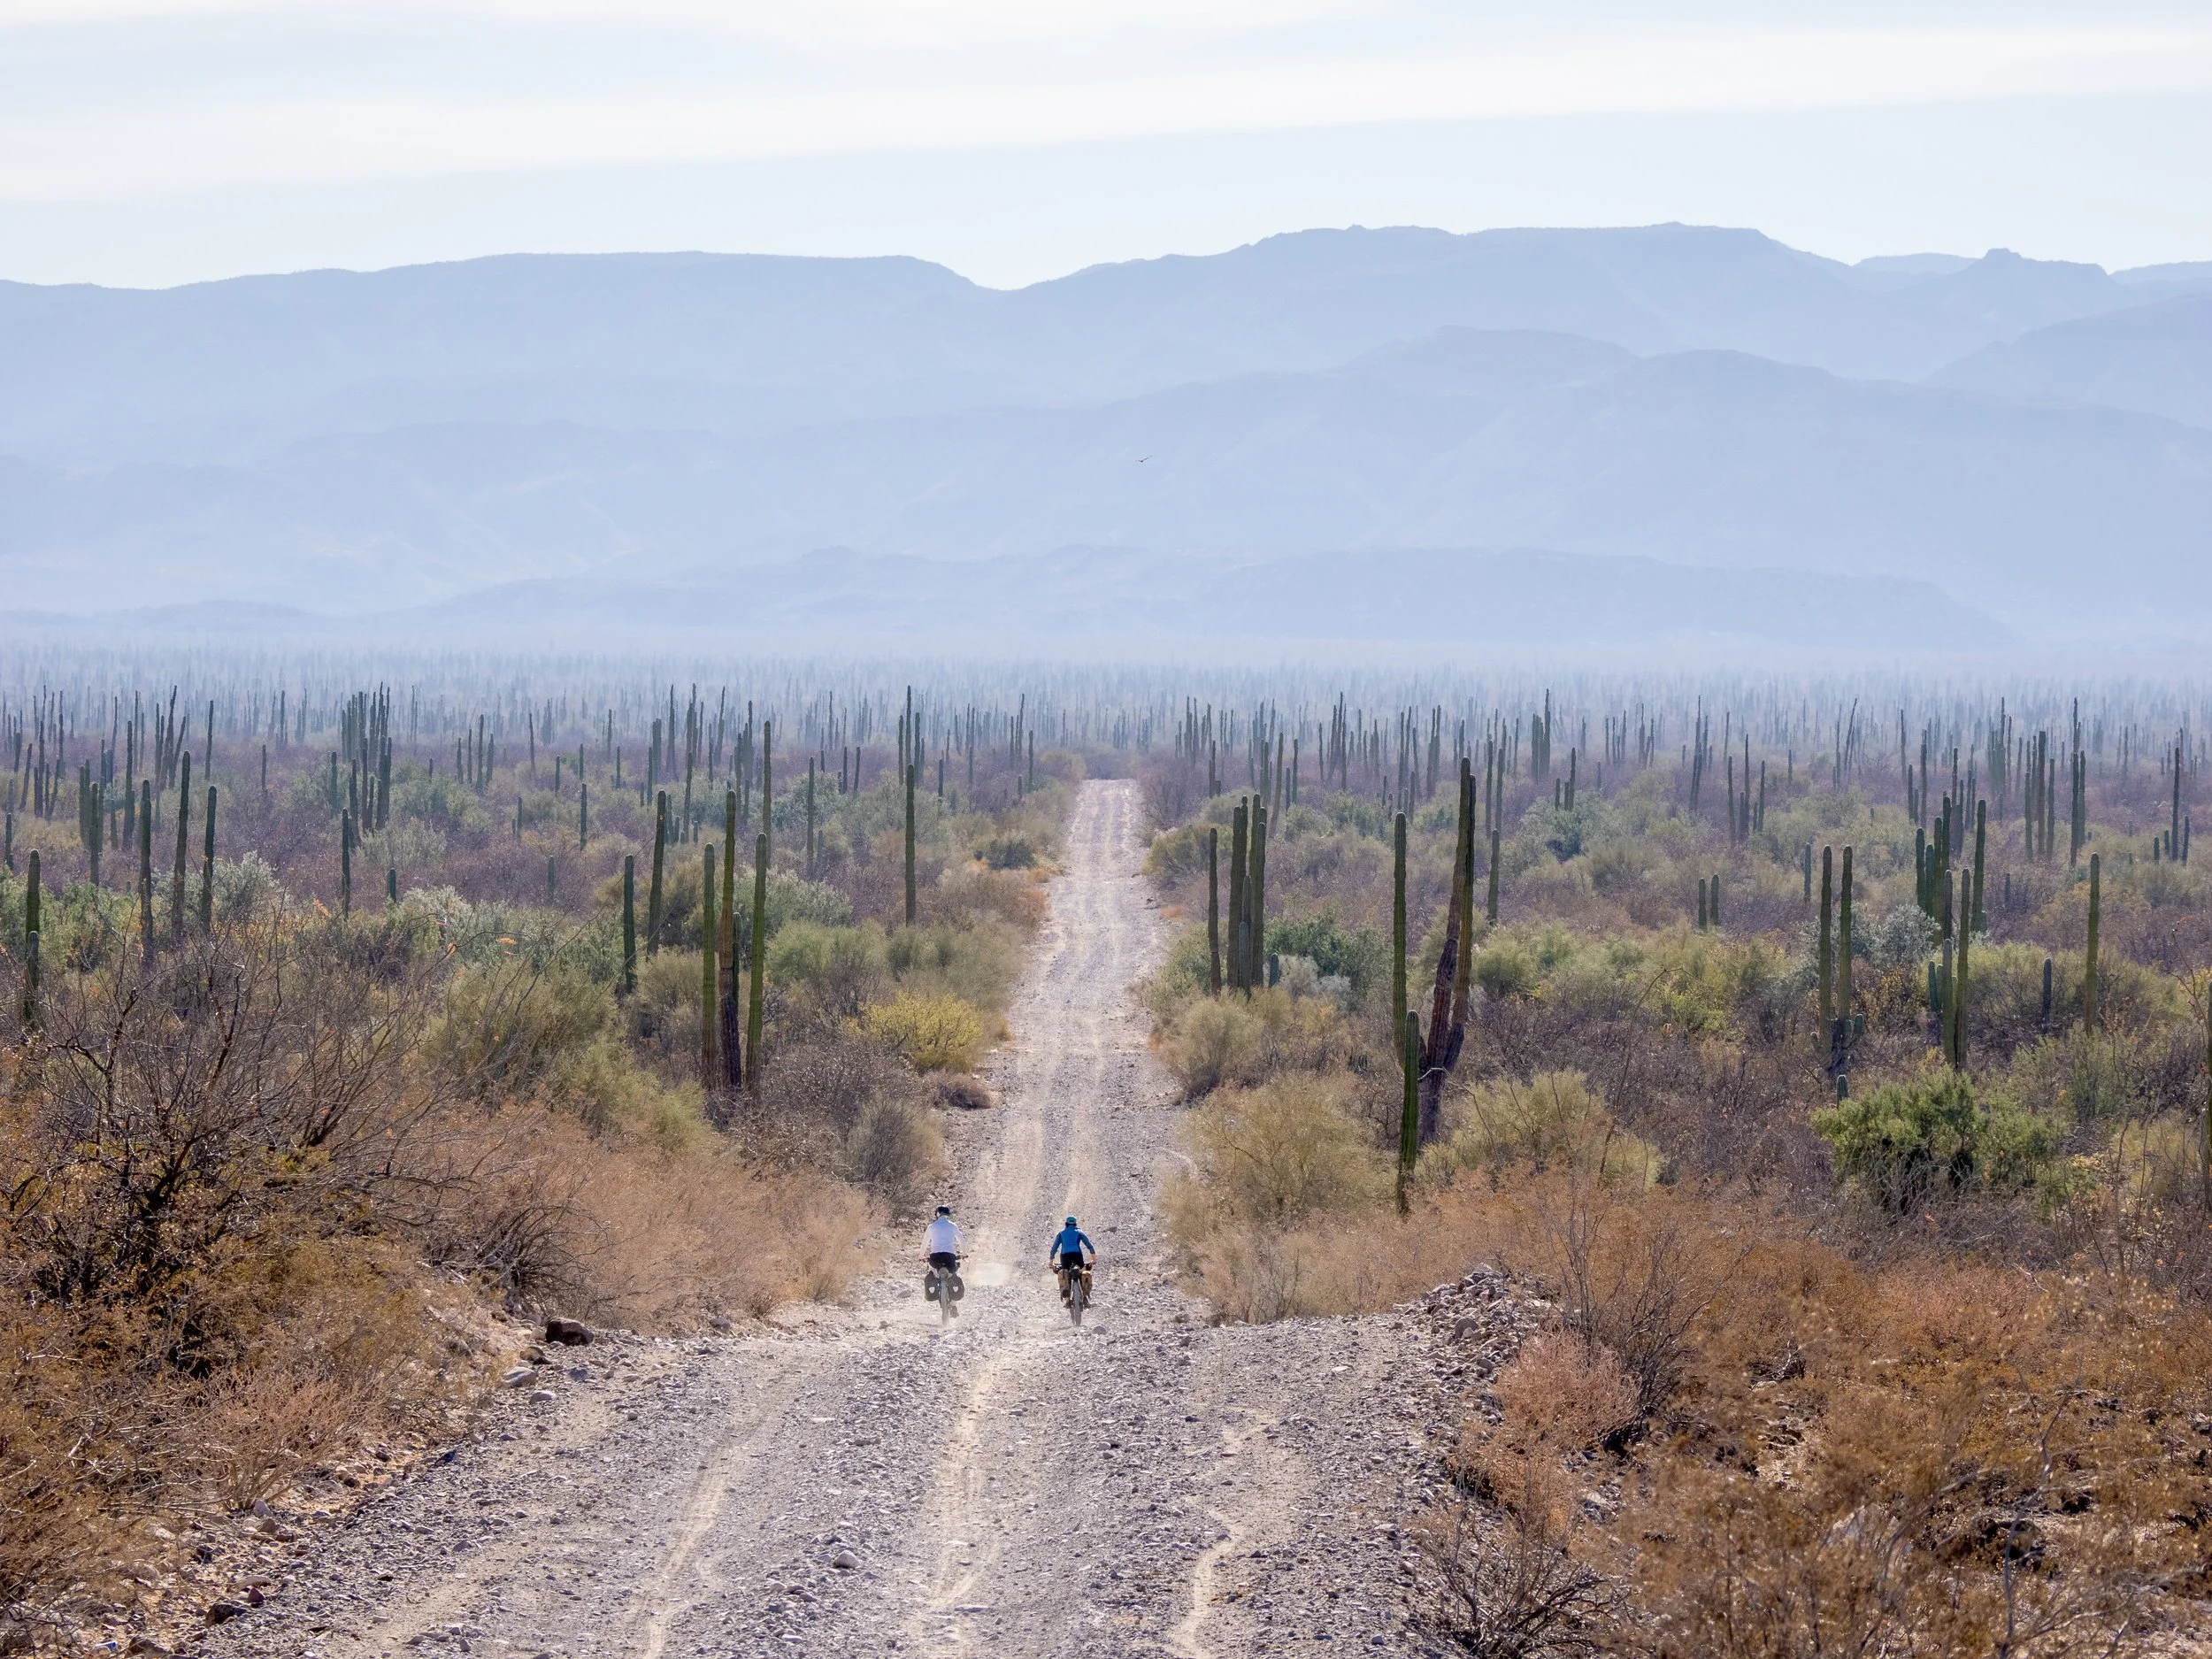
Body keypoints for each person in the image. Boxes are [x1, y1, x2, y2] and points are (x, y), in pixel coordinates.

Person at [924, 1204, 964, 1313]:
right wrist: (964, 1253)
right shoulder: (953, 1226)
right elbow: (961, 1240)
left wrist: (920, 1256)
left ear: (937, 1214)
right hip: (949, 1257)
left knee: (933, 1272)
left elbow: (925, 1243)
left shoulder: (932, 1226)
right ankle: (954, 1305)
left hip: (935, 1257)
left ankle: (936, 1291)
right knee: (954, 1275)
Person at [1047, 1215, 1094, 1304]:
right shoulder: (1079, 1232)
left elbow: (1054, 1247)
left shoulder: (1061, 1233)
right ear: (1075, 1224)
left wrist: (1051, 1261)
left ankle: (1068, 1300)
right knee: (1081, 1272)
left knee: (1065, 1273)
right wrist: (1094, 1259)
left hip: (1065, 1257)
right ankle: (1085, 1297)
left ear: (1066, 1224)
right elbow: (1089, 1245)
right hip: (1077, 1256)